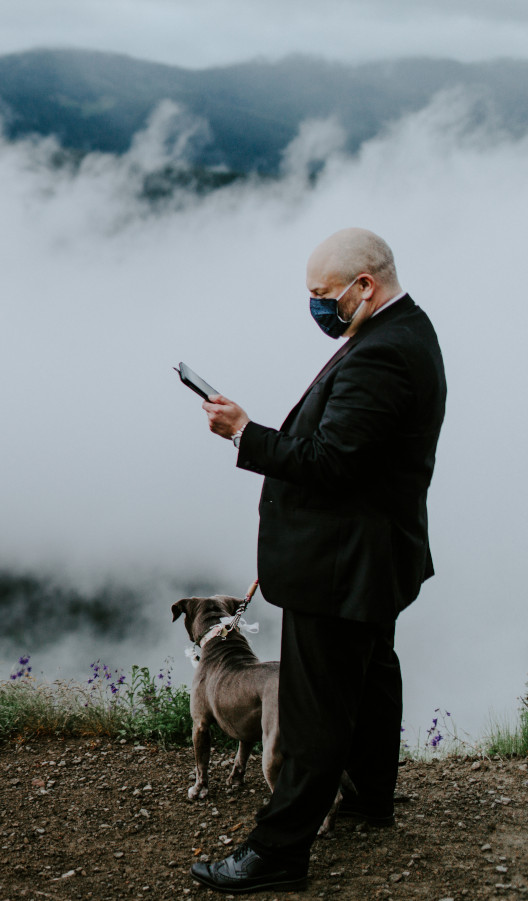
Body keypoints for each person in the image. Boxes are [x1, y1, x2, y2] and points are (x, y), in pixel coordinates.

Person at [189, 228, 446, 894]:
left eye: (322, 296)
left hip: (341, 565)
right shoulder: (402, 331)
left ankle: (278, 851)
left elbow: (331, 462)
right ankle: (369, 798)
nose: (317, 308)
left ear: (365, 286)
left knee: (311, 709)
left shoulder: (384, 353)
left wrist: (246, 434)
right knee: (370, 675)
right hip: (373, 556)